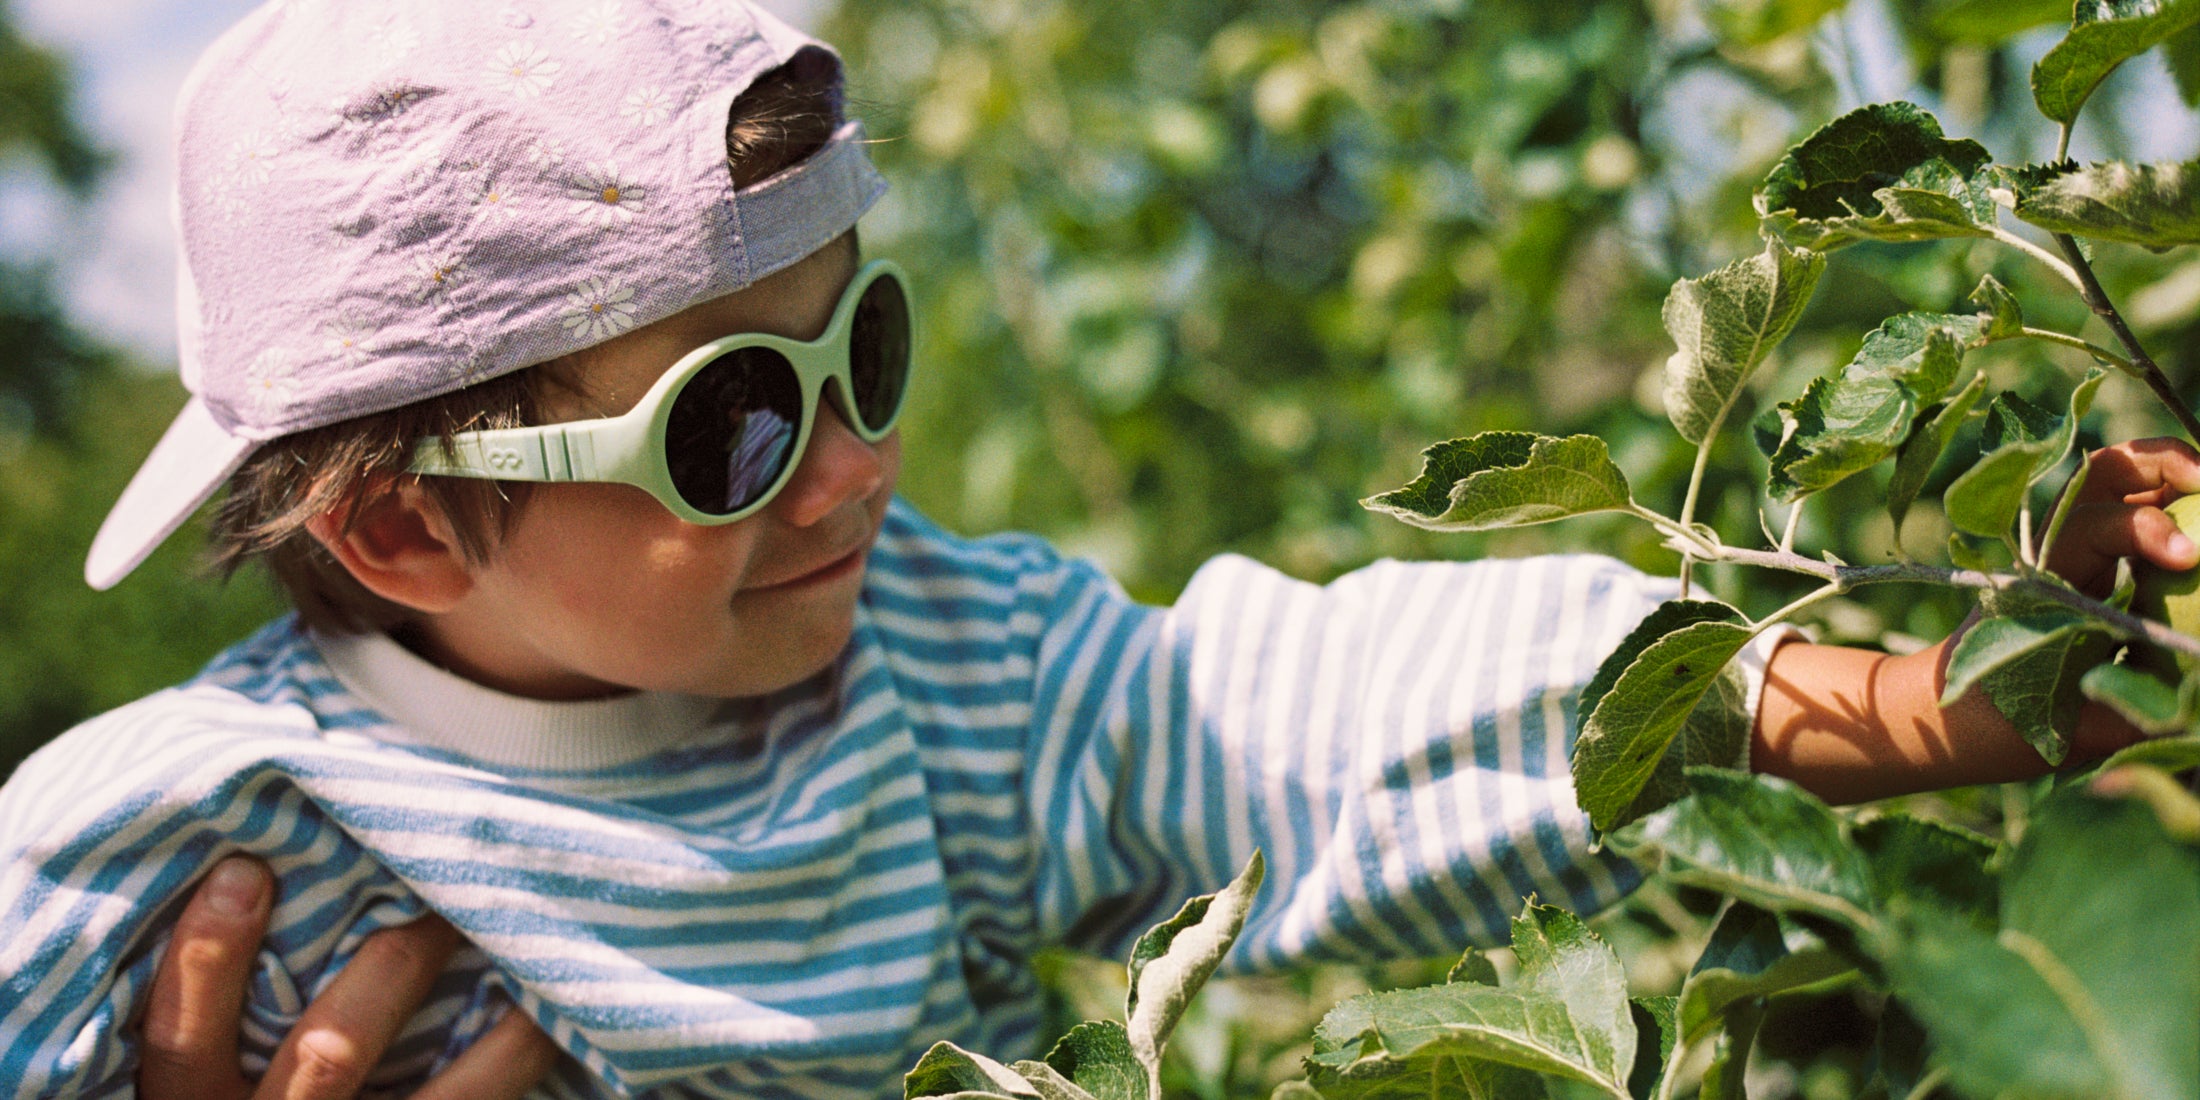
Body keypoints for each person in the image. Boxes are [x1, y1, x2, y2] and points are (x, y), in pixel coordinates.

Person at [2, 1, 2193, 1097]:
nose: (854, 462)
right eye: (736, 419)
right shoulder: (183, 840)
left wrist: (1942, 688)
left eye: (863, 343)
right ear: (393, 520)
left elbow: (1321, 716)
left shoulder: (935, 675)